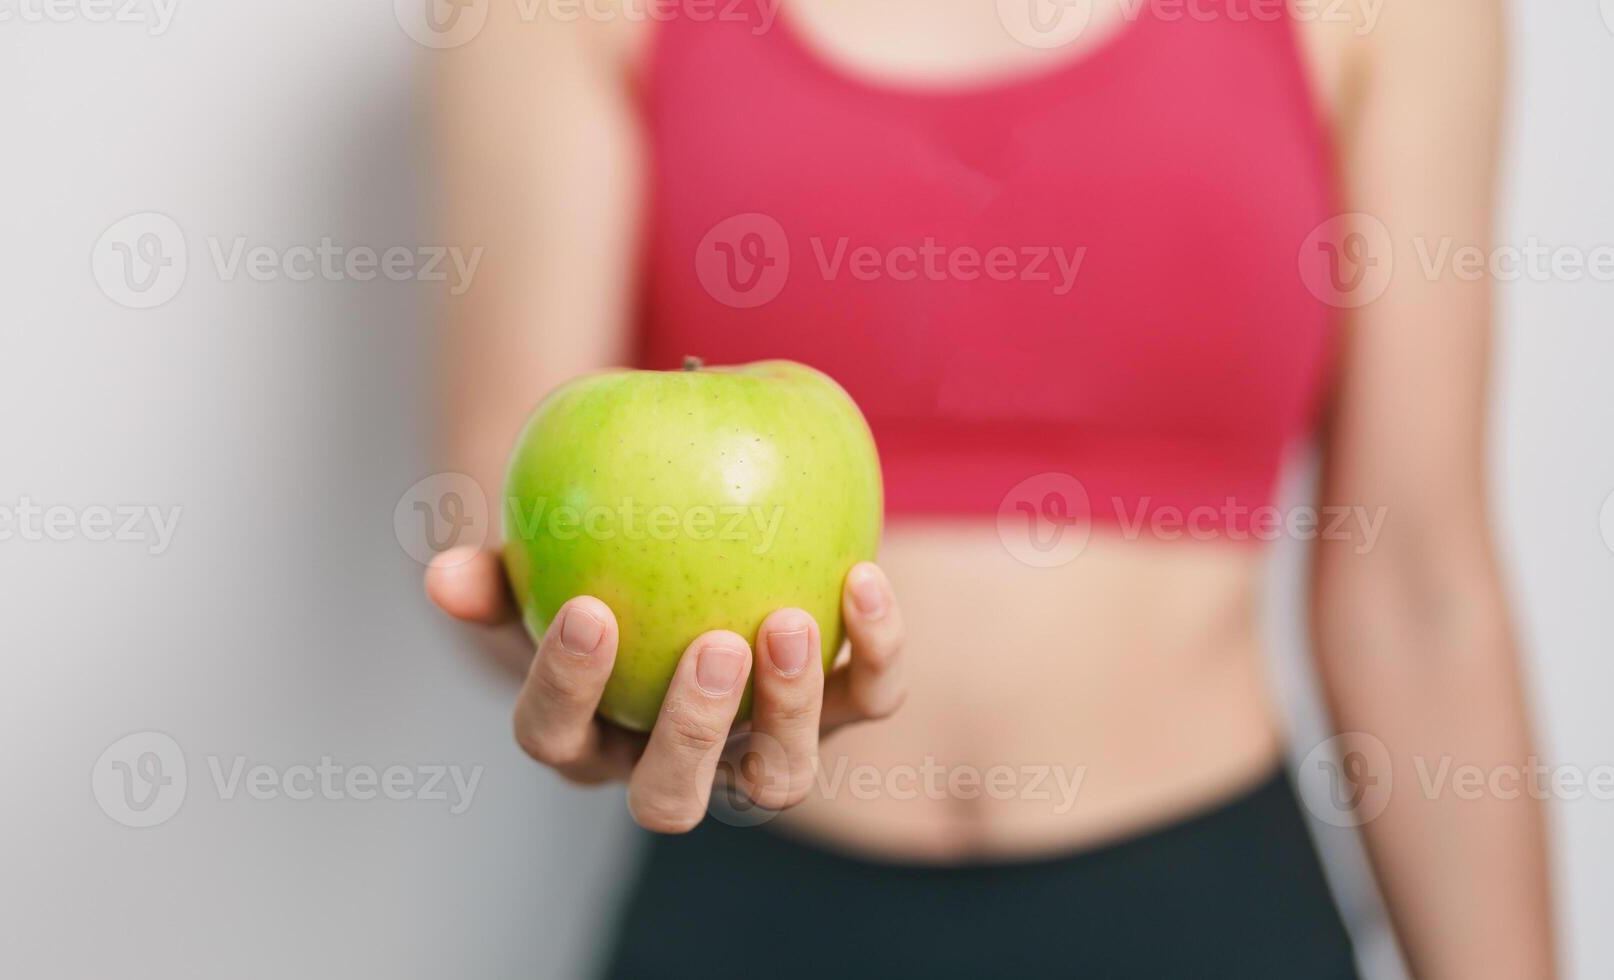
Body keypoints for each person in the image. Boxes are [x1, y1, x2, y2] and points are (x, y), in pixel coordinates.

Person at [419, 0, 1554, 976]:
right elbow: (505, 526)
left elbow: (1416, 591)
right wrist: (574, 672)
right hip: (747, 893)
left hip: (1210, 906)